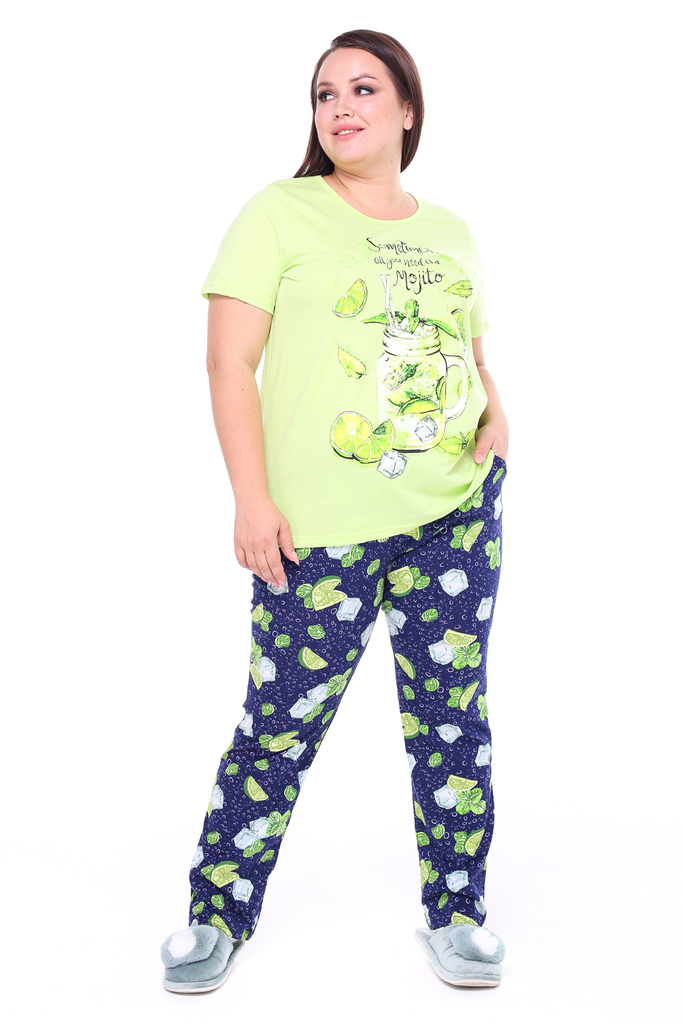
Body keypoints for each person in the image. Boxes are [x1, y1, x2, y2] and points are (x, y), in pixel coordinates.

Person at [160, 28, 510, 993]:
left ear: (407, 108)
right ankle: (217, 913)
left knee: (452, 723)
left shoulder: (451, 231)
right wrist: (251, 499)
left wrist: (498, 412)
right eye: (324, 94)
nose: (341, 107)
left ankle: (458, 914)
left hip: (453, 516)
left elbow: (472, 351)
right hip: (316, 530)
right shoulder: (278, 212)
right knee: (278, 725)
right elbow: (227, 363)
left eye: (363, 88)